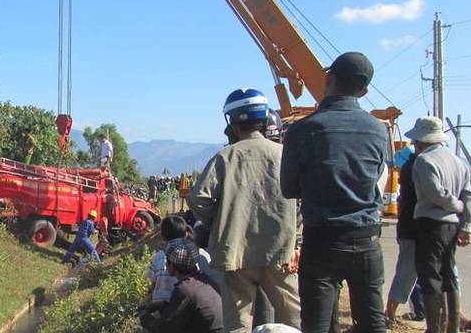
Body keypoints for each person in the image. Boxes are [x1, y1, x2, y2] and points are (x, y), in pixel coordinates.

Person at [280, 51, 389, 333]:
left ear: (328, 78)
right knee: (372, 322)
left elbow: (289, 188)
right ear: (363, 91)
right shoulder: (378, 130)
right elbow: (376, 177)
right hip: (367, 239)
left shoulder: (302, 130)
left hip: (321, 241)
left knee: (316, 324)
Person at [190, 87, 301, 332]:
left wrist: (220, 221)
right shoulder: (285, 154)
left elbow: (199, 199)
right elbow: (302, 201)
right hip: (280, 251)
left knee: (238, 323)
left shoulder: (225, 157)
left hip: (236, 253)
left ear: (234, 123)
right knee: (294, 319)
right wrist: (296, 242)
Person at [405, 116, 471, 333]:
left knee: (430, 275)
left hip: (431, 224)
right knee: (448, 273)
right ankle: (452, 327)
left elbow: (436, 194)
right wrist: (465, 225)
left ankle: (435, 328)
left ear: (422, 141)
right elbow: (469, 196)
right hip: (452, 227)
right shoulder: (457, 161)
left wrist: (456, 206)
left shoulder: (425, 161)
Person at [138, 238, 224, 332]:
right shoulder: (202, 279)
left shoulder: (185, 289)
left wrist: (145, 318)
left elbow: (165, 329)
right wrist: (162, 306)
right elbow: (182, 312)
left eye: (167, 261)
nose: (166, 265)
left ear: (173, 267)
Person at [385, 147, 420, 324]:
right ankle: (390, 312)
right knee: (408, 272)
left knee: (446, 271)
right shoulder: (413, 168)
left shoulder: (413, 166)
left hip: (415, 228)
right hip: (413, 228)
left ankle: (456, 316)